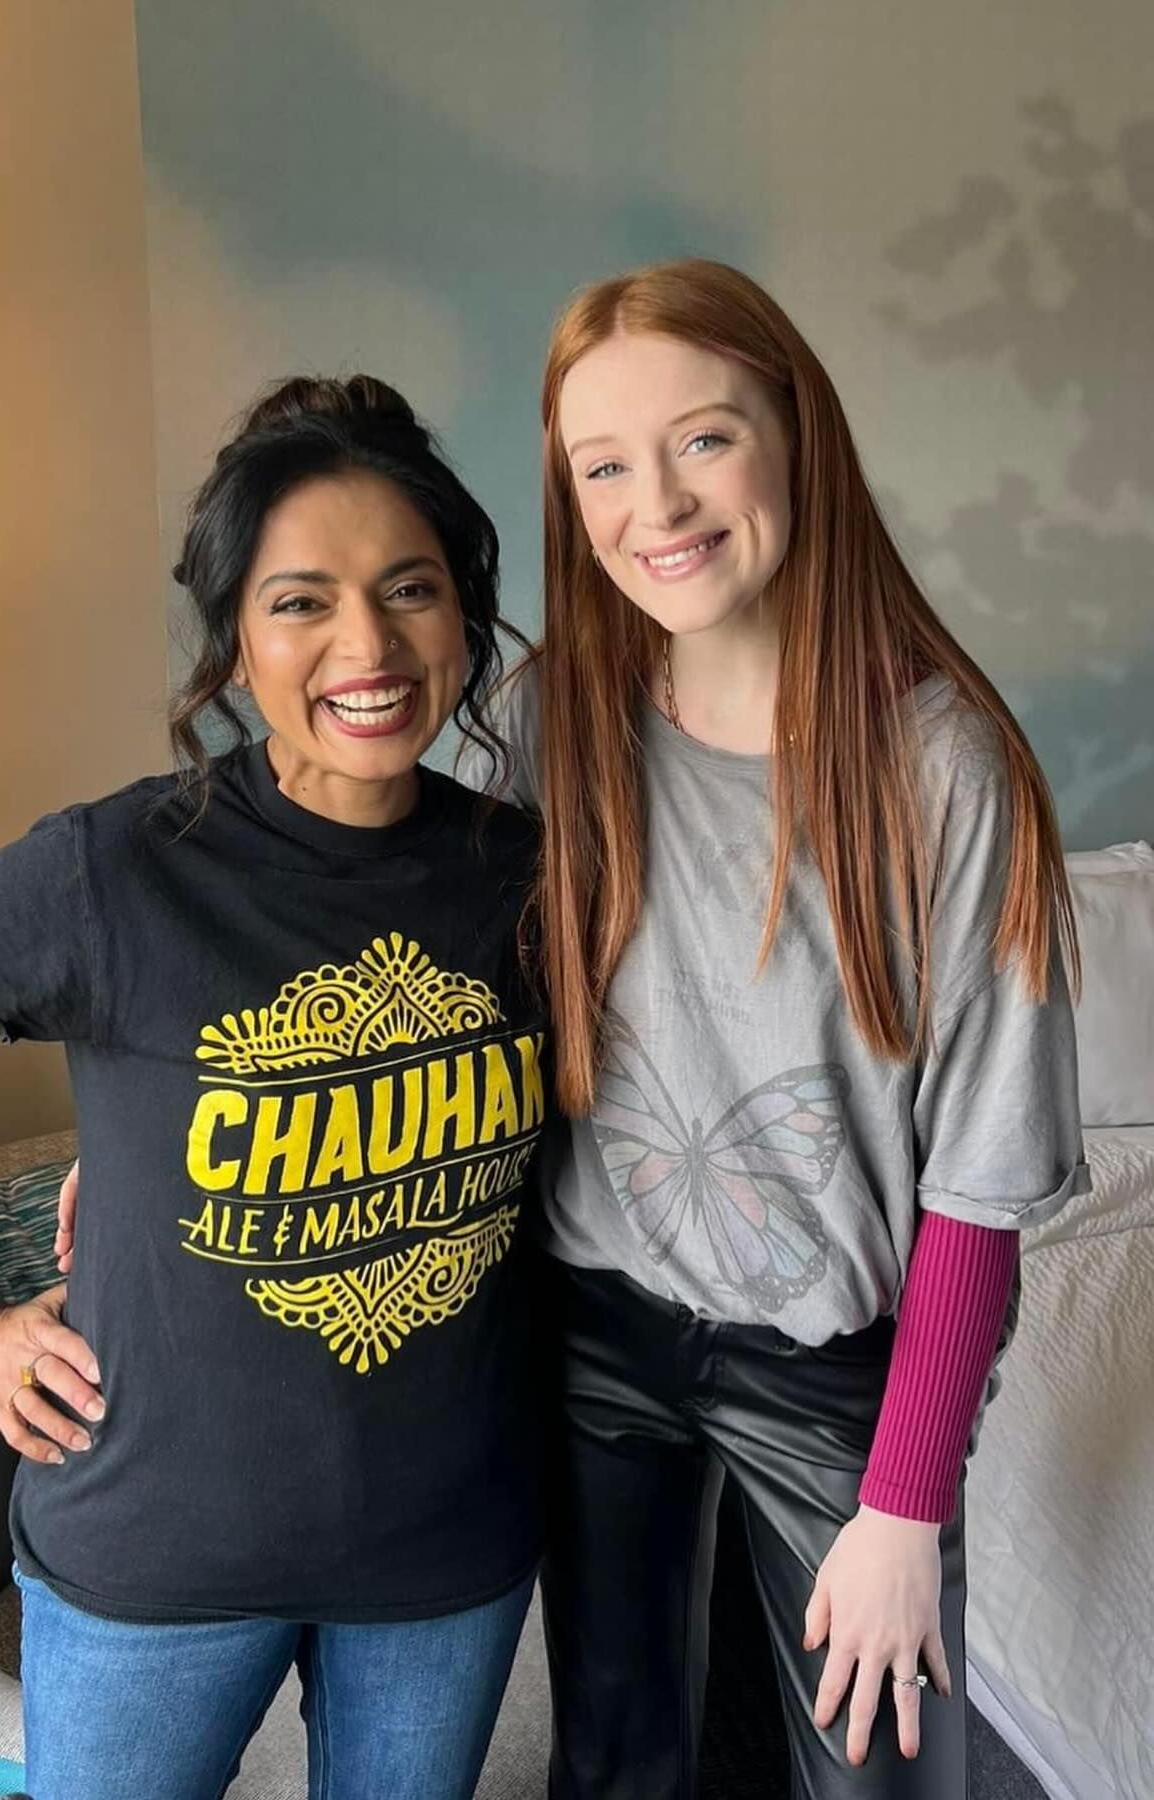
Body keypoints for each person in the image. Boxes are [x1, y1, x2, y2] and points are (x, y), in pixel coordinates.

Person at [0, 375, 548, 1800]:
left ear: (466, 614)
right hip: (155, 1563)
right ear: (234, 642)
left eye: (409, 587)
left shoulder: (529, 868)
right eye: (302, 600)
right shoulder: (117, 872)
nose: (367, 643)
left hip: (444, 1549)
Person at [486, 259, 1087, 1798]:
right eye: (602, 466)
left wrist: (904, 1502)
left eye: (703, 439)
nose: (656, 506)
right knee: (621, 1759)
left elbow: (980, 1183)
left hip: (835, 1369)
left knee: (882, 1768)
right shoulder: (553, 728)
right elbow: (431, 1003)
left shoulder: (949, 768)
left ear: (796, 435)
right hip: (595, 1329)